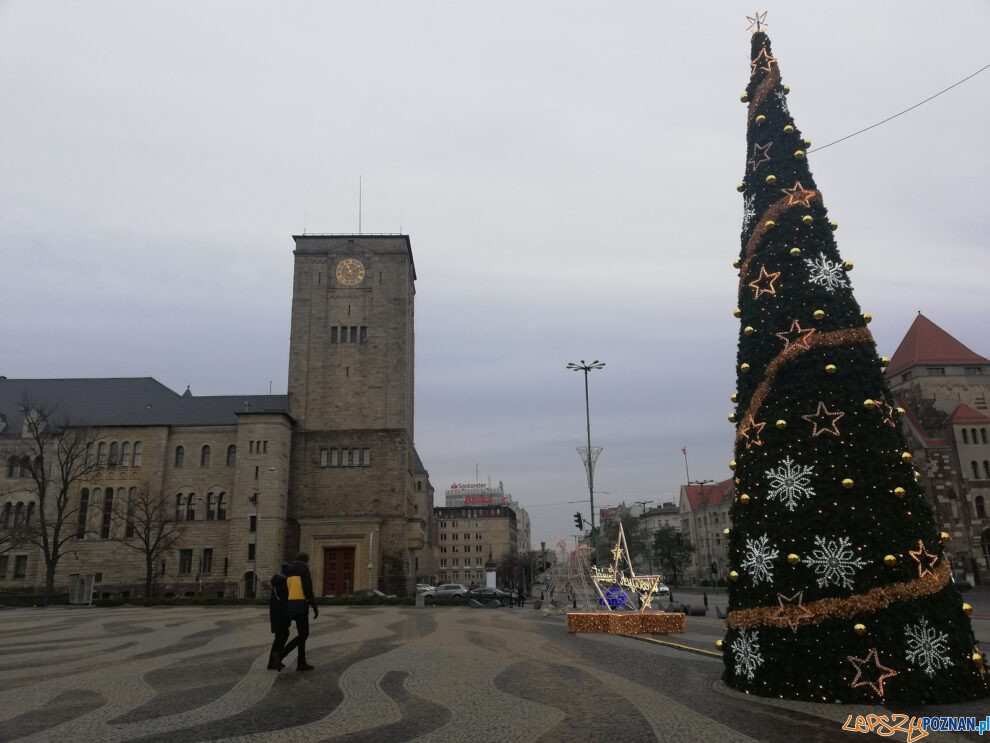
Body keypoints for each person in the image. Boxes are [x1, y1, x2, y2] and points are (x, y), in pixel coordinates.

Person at [280, 552, 318, 671]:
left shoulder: (289, 569)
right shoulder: (303, 569)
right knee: (304, 634)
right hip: (300, 604)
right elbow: (307, 589)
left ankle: (301, 663)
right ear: (306, 561)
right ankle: (280, 655)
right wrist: (314, 605)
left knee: (302, 634)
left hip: (291, 604)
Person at [268, 563, 290, 671]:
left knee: (281, 636)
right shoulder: (282, 582)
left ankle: (274, 661)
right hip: (281, 614)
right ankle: (273, 662)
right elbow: (285, 598)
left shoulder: (278, 581)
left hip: (277, 613)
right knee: (281, 636)